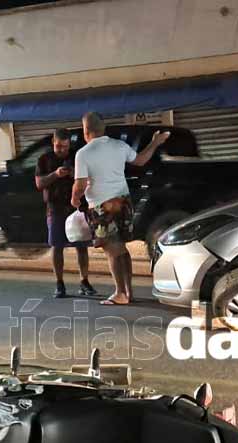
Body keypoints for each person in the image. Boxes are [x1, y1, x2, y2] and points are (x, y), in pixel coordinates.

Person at [71, 112, 170, 305]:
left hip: (102, 205)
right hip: (124, 202)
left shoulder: (83, 154)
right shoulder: (119, 145)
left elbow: (80, 184)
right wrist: (155, 142)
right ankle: (128, 291)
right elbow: (140, 160)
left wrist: (75, 198)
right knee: (122, 249)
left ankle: (120, 293)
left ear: (86, 130)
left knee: (112, 250)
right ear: (103, 128)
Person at [35, 128, 95, 298]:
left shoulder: (78, 157)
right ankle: (59, 283)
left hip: (77, 207)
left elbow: (88, 179)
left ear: (70, 144)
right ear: (53, 143)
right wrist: (55, 174)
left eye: (65, 146)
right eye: (58, 146)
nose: (61, 150)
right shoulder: (44, 159)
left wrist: (74, 175)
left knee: (82, 246)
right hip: (55, 208)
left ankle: (84, 281)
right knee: (57, 246)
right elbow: (39, 183)